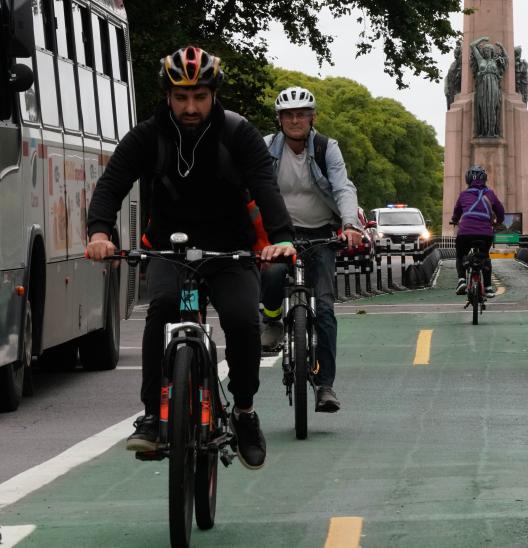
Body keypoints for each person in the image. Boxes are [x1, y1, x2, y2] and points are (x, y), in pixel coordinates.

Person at [85, 46, 295, 470]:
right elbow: (111, 184)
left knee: (240, 319)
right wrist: (99, 233)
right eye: (181, 97)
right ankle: (150, 415)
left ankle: (244, 411)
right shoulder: (147, 136)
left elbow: (264, 187)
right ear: (167, 96)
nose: (190, 106)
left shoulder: (238, 133)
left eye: (199, 96)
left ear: (213, 94)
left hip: (229, 250)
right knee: (161, 308)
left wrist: (282, 238)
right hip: (169, 249)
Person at [259, 86, 362, 413]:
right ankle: (273, 320)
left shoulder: (325, 147)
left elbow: (343, 186)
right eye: (288, 115)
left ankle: (325, 386)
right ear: (279, 119)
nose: (295, 120)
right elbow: (249, 187)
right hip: (281, 235)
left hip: (321, 234)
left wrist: (349, 226)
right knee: (273, 275)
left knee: (326, 308)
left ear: (312, 117)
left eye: (301, 114)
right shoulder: (266, 148)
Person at [451, 165, 505, 299]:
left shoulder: (463, 194)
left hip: (465, 232)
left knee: (460, 255)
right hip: (485, 233)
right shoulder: (490, 194)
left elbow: (456, 212)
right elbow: (500, 211)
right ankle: (488, 287)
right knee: (485, 257)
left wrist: (455, 220)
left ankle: (462, 280)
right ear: (485, 179)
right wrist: (498, 222)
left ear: (468, 180)